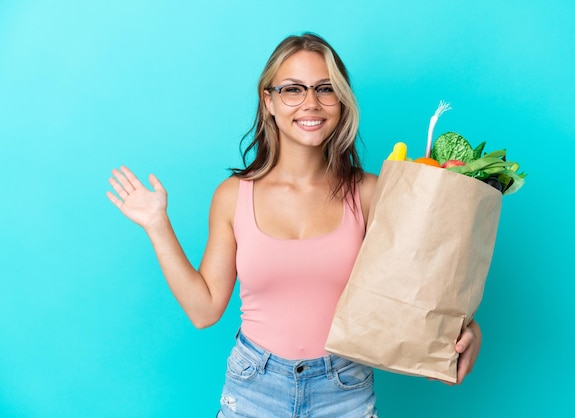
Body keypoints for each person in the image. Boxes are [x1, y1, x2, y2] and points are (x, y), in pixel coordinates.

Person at [106, 32, 482, 418]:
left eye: (325, 89)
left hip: (344, 389)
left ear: (341, 100)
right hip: (254, 387)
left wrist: (469, 331)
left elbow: (419, 288)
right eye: (292, 90)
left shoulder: (370, 192)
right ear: (268, 101)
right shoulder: (233, 195)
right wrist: (156, 224)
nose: (311, 103)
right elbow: (204, 311)